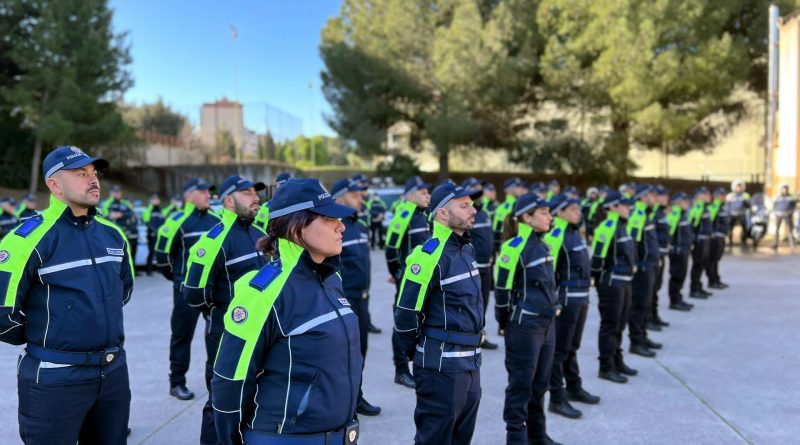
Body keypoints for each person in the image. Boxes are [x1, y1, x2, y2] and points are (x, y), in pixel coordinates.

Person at [211, 178, 362, 445]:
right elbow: (231, 380)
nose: (341, 226)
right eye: (329, 218)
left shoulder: (331, 280)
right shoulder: (262, 292)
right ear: (296, 227)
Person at [0, 145, 133, 444]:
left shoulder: (113, 234)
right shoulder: (27, 239)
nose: (93, 180)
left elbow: (122, 292)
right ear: (54, 184)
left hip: (112, 373)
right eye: (81, 173)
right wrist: (47, 335)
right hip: (54, 379)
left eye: (94, 173)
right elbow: (1, 314)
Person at [182, 174, 267, 445]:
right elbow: (193, 293)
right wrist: (222, 311)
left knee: (256, 396)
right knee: (221, 401)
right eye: (247, 193)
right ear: (229, 200)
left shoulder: (261, 235)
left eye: (256, 192)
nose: (256, 198)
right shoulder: (214, 239)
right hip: (226, 334)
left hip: (263, 334)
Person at [395, 182, 483, 445]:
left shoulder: (466, 248)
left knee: (460, 439)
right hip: (441, 366)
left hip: (470, 362)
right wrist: (420, 353)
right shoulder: (426, 256)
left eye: (472, 204)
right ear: (442, 214)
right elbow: (405, 316)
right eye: (464, 205)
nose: (473, 209)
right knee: (434, 439)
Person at [495, 193, 562, 445]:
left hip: (547, 325)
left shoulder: (544, 245)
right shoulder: (512, 248)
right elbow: (502, 292)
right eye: (544, 212)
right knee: (521, 386)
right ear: (527, 217)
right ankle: (516, 440)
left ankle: (537, 436)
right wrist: (503, 323)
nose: (550, 217)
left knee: (541, 384)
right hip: (525, 326)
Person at [156, 178, 221, 401]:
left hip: (212, 292)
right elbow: (163, 259)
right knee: (182, 336)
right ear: (188, 196)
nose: (207, 195)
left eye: (208, 192)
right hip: (185, 291)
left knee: (215, 336)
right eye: (202, 192)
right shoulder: (176, 221)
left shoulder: (217, 220)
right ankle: (177, 382)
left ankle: (217, 382)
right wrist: (180, 279)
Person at [544, 194, 600, 420]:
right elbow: (550, 271)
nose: (578, 212)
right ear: (560, 213)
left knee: (572, 346)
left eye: (578, 208)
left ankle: (574, 388)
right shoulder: (557, 235)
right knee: (559, 351)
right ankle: (557, 398)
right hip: (567, 299)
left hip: (581, 297)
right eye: (572, 209)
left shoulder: (574, 233)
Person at [331, 177, 383, 416]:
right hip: (344, 301)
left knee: (360, 352)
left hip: (362, 299)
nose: (361, 198)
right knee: (342, 357)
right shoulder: (332, 226)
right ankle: (343, 405)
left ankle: (356, 398)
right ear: (339, 198)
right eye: (355, 195)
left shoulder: (358, 223)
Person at [385, 175, 431, 389]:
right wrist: (397, 273)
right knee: (402, 321)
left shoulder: (423, 215)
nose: (428, 196)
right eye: (423, 193)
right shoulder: (404, 214)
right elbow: (391, 248)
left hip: (422, 277)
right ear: (411, 195)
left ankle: (418, 364)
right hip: (407, 278)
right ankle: (401, 369)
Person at [590, 190, 637, 384]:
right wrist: (602, 282)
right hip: (612, 283)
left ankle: (617, 360)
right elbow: (597, 260)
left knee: (621, 323)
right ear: (612, 208)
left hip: (625, 281)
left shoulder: (621, 226)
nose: (628, 208)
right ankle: (606, 366)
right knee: (610, 325)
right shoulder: (607, 227)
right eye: (624, 205)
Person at [461, 177, 498, 350]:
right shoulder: (467, 214)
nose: (480, 193)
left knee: (484, 304)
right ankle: (471, 336)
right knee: (472, 305)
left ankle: (480, 335)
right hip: (474, 267)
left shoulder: (485, 212)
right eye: (475, 189)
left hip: (488, 266)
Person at [626, 184, 662, 358]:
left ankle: (643, 336)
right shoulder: (638, 215)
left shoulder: (645, 214)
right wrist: (636, 264)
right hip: (642, 267)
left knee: (646, 304)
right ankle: (636, 341)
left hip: (651, 265)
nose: (654, 198)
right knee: (639, 305)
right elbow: (633, 242)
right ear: (641, 197)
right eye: (650, 195)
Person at [666, 193, 695, 311]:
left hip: (684, 250)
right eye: (684, 202)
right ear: (677, 202)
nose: (687, 204)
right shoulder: (675, 214)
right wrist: (673, 246)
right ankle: (674, 301)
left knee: (681, 275)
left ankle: (679, 298)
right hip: (678, 251)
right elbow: (669, 233)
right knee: (676, 276)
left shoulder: (683, 214)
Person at [100, 185, 140, 268]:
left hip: (128, 231)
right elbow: (107, 216)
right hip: (114, 232)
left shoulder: (125, 203)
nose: (117, 194)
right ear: (111, 193)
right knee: (117, 253)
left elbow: (133, 214)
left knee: (130, 251)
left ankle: (132, 270)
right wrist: (117, 215)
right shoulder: (107, 203)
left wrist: (121, 214)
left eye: (118, 192)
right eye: (115, 192)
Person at [649, 186, 671, 329]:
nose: (666, 198)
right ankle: (648, 319)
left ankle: (654, 316)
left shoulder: (662, 212)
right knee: (650, 290)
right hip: (654, 256)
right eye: (662, 196)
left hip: (661, 254)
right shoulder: (653, 213)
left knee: (656, 288)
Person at [688, 187, 713, 300]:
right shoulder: (697, 207)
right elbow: (693, 224)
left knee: (702, 264)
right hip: (700, 240)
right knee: (697, 264)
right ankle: (694, 289)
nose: (709, 196)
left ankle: (698, 286)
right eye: (706, 194)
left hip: (705, 239)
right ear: (699, 196)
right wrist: (694, 239)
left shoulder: (704, 207)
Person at [492, 177, 527, 249]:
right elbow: (498, 232)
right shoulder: (507, 208)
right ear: (509, 190)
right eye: (518, 186)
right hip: (512, 245)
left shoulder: (501, 207)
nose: (521, 189)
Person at [142, 194, 167, 276]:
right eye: (154, 199)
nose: (156, 201)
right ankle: (149, 270)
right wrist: (155, 230)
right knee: (151, 252)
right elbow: (146, 222)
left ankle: (160, 269)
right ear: (151, 201)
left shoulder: (160, 210)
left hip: (159, 234)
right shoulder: (148, 210)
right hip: (151, 234)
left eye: (157, 199)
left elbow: (164, 221)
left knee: (159, 251)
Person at [727, 180, 751, 250]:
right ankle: (730, 241)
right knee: (730, 228)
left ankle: (744, 242)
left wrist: (746, 203)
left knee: (745, 228)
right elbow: (727, 205)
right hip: (732, 214)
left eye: (740, 187)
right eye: (737, 187)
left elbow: (748, 205)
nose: (738, 188)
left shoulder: (745, 195)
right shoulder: (730, 195)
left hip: (741, 214)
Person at [772, 184, 796, 249]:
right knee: (777, 229)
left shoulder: (791, 197)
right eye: (783, 189)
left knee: (790, 229)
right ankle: (775, 243)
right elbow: (774, 205)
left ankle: (792, 243)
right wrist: (775, 212)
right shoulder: (777, 196)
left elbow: (794, 206)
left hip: (787, 215)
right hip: (779, 215)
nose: (784, 190)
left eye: (786, 189)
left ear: (787, 189)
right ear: (781, 189)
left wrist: (790, 212)